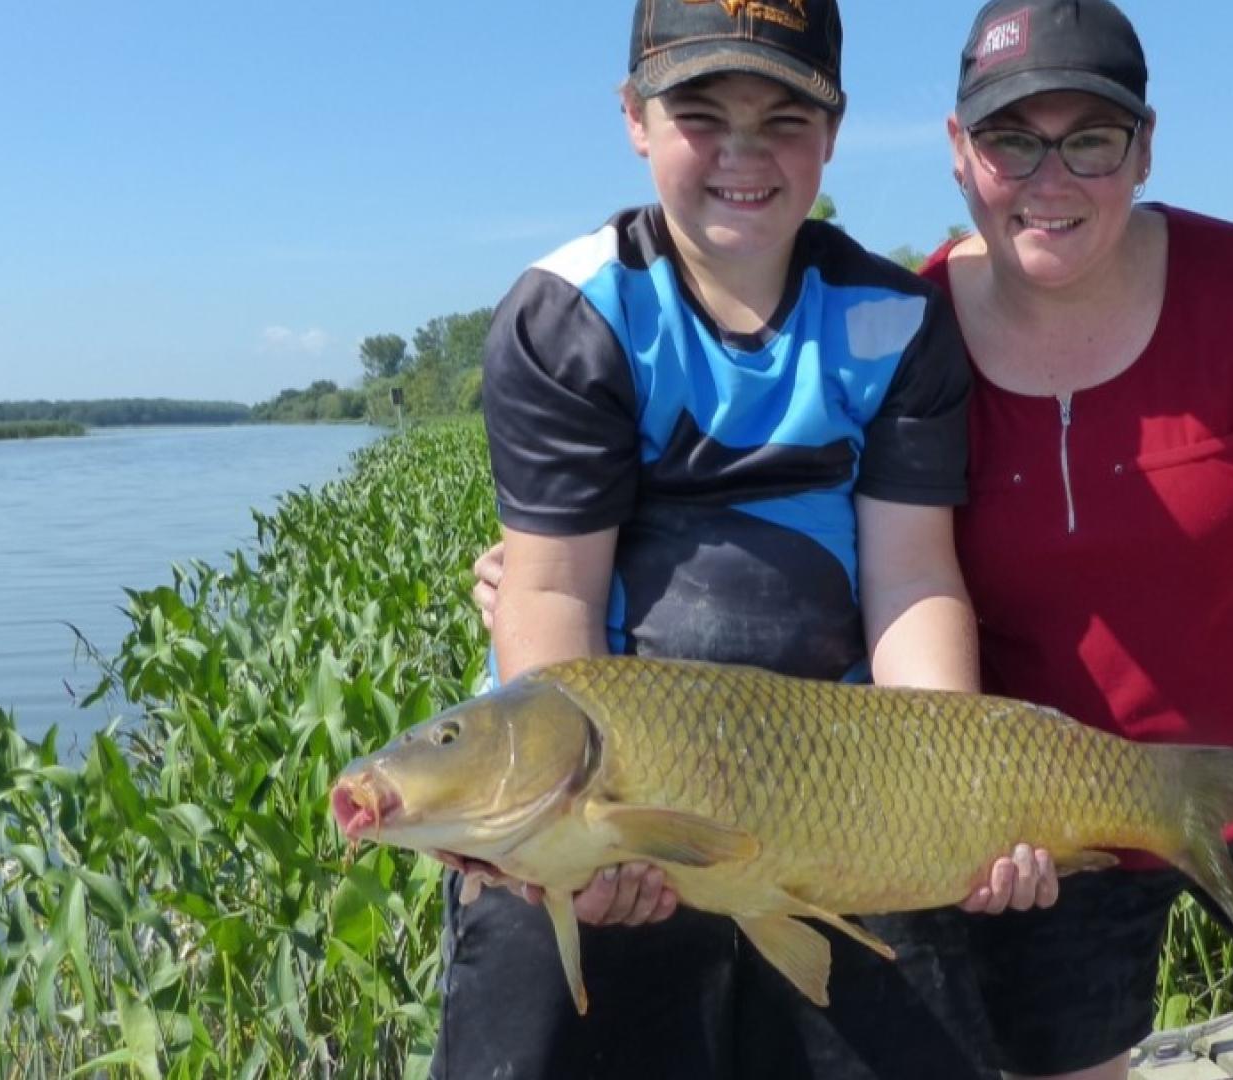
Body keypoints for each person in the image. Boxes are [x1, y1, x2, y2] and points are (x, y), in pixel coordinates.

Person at [475, 1, 1233, 1077]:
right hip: (1043, 803)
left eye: (1091, 141)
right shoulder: (873, 320)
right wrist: (556, 650)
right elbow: (586, 581)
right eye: (1013, 141)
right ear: (960, 154)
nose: (1049, 178)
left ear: (1144, 147)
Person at [445, 1, 1052, 1077]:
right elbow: (551, 597)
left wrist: (954, 803)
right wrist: (569, 835)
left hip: (838, 786)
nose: (743, 154)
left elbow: (913, 581)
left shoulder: (894, 319)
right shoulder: (572, 311)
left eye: (782, 119)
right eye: (700, 114)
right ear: (635, 119)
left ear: (833, 131)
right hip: (623, 785)